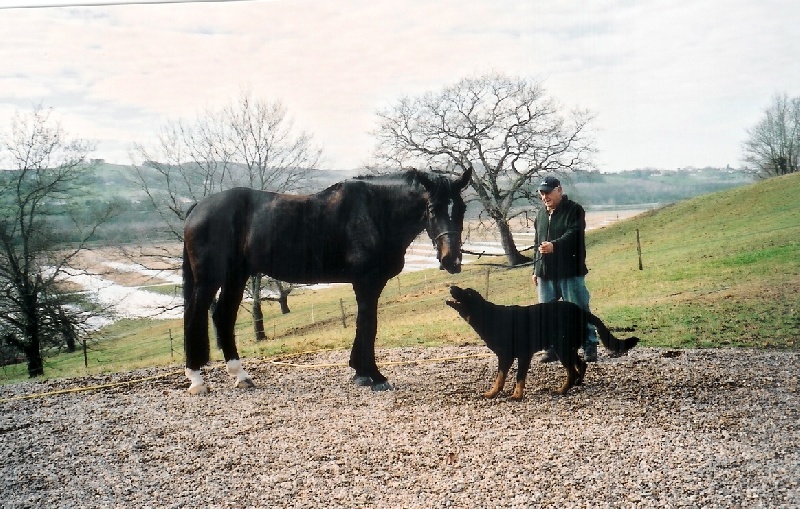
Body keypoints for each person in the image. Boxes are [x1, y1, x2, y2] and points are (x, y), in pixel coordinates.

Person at [531, 176, 599, 362]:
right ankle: (552, 348)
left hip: (570, 271)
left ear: (559, 190)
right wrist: (535, 270)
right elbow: (536, 243)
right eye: (542, 193)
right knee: (546, 313)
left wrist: (555, 246)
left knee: (578, 309)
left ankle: (589, 345)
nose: (545, 197)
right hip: (545, 273)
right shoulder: (540, 215)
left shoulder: (575, 210)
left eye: (548, 192)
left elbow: (574, 234)